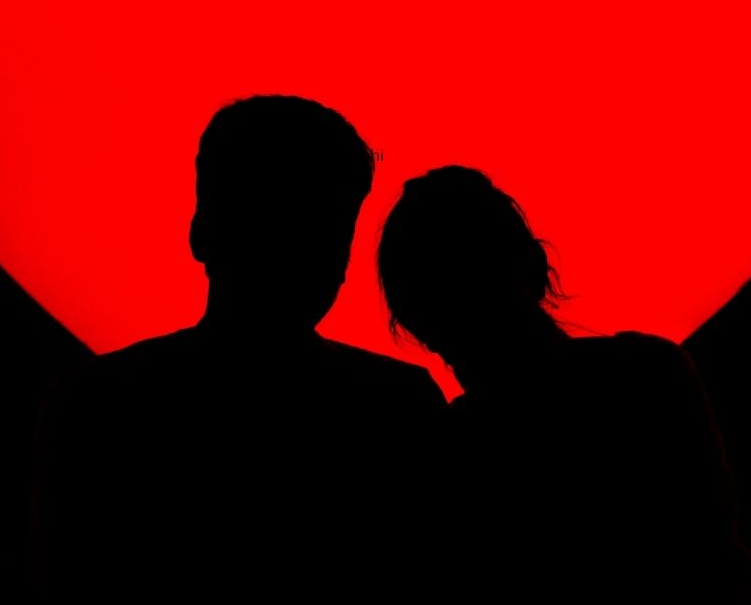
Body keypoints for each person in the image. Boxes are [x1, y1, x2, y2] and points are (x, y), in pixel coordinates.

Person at [31, 95, 446, 594]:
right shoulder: (394, 406)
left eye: (326, 229)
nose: (299, 251)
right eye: (275, 220)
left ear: (201, 230)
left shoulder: (98, 403)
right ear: (206, 230)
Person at [376, 165, 751, 602]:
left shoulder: (455, 445)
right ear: (536, 266)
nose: (464, 309)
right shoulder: (648, 372)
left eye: (474, 281)